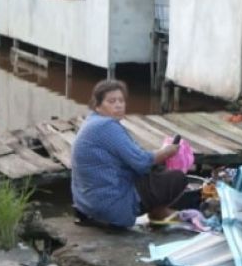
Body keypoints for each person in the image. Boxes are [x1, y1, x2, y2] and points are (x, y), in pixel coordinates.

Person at [71, 80, 199, 227]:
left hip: (86, 206)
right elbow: (141, 161)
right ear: (98, 106)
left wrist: (159, 156)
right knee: (176, 178)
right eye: (111, 101)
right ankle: (157, 212)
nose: (118, 105)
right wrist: (167, 151)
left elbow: (134, 155)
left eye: (121, 100)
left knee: (156, 168)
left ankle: (159, 211)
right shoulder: (106, 126)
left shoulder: (92, 121)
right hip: (110, 209)